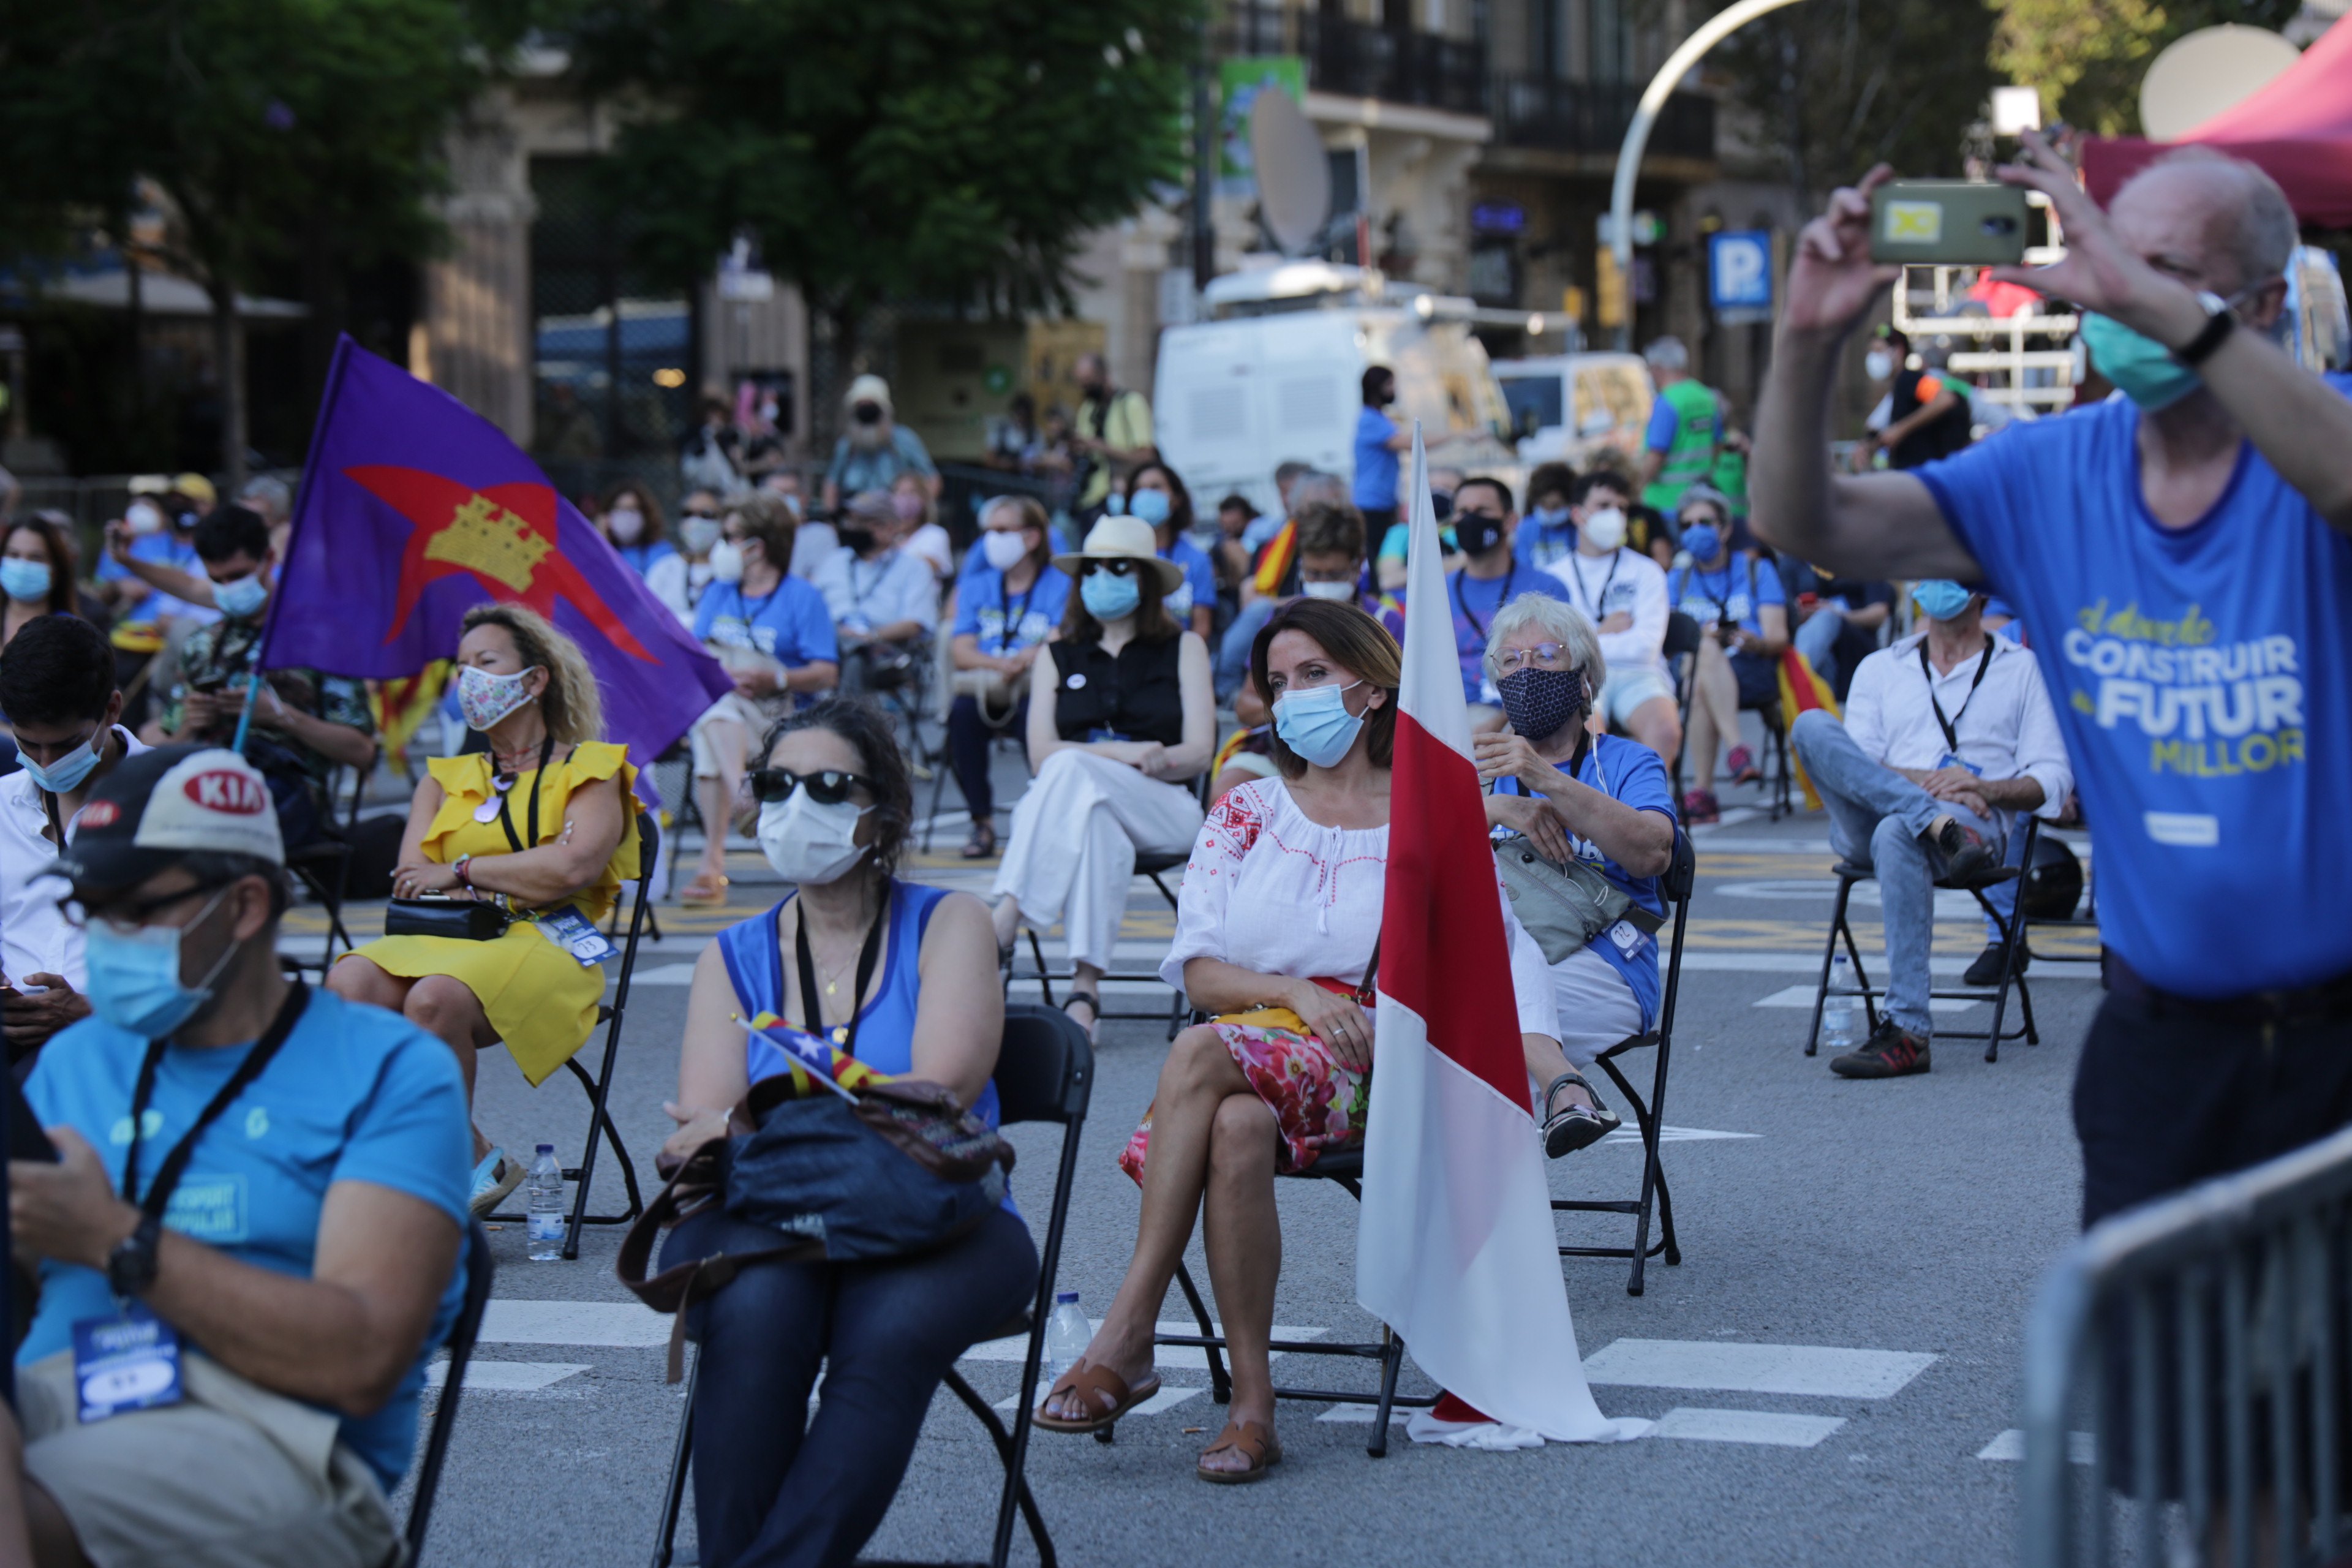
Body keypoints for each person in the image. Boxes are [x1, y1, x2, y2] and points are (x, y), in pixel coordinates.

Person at [1750, 137, 2352, 1228]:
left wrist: (2179, 318)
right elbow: (1809, 523)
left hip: (2337, 1038)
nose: (2119, 287)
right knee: (2157, 1391)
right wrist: (1805, 343)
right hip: (2157, 1045)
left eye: (2163, 267)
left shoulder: (2323, 434)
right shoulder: (2051, 470)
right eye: (2113, 255)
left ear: (2261, 303)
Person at [1033, 598, 1568, 1480]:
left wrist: (1548, 1071)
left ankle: (1129, 1332)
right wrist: (1292, 994)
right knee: (1235, 1125)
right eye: (1278, 684)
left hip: (1383, 1063)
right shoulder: (1247, 811)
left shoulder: (1430, 815)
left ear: (1373, 686)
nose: (1293, 699)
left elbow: (1497, 961)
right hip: (1261, 1049)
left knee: (1197, 1054)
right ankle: (1254, 1408)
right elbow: (1198, 971)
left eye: (1314, 676)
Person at [3, 742, 469, 1568]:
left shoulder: (389, 1072)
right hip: (61, 1404)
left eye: (131, 911)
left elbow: (360, 1358)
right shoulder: (77, 1060)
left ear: (246, 906)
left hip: (270, 1446)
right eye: (87, 910)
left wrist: (116, 1237)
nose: (100, 939)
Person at [660, 700, 1032, 1568]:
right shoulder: (733, 956)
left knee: (888, 1330)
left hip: (935, 1214)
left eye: (828, 786)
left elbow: (941, 1092)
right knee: (751, 1315)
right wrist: (740, 1123)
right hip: (776, 1211)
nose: (798, 805)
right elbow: (700, 1131)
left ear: (884, 811)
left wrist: (761, 1113)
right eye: (777, 785)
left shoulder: (949, 924)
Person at [329, 603, 639, 1213]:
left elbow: (571, 870)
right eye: (461, 665)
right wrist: (499, 877)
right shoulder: (445, 778)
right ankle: (467, 1153)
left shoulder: (590, 769)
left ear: (534, 680)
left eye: (485, 662)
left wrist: (465, 869)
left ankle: (434, 1181)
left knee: (432, 998)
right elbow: (413, 879)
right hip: (453, 935)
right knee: (348, 978)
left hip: (549, 939)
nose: (466, 678)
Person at [1788, 582, 2071, 1077]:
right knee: (1811, 725)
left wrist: (1986, 787)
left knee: (1897, 831)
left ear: (1981, 588)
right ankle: (1933, 820)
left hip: (1974, 832)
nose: (1934, 584)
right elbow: (1858, 767)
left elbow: (2051, 779)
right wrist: (1925, 787)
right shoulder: (1882, 666)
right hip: (1878, 820)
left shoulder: (2023, 669)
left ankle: (1908, 1030)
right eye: (1926, 574)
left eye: (1950, 574)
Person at [987, 514, 1215, 1042]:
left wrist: (1142, 761)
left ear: (1146, 580)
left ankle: (1007, 914)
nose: (1102, 578)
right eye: (1091, 569)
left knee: (1073, 771)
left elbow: (1200, 752)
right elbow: (1041, 755)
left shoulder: (1184, 648)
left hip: (1164, 805)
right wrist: (1126, 752)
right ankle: (1084, 993)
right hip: (1080, 803)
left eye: (1118, 567)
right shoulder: (1055, 653)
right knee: (1093, 815)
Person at [1478, 594, 1678, 1148]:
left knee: (1473, 1042)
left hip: (1606, 960)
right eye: (1511, 662)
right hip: (1496, 954)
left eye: (1545, 655)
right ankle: (1566, 1090)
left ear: (1584, 677)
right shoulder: (1480, 772)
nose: (1527, 671)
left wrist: (1545, 779)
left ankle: (1492, 1227)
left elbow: (1653, 853)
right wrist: (1493, 807)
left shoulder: (1626, 762)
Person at [153, 505, 377, 850]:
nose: (229, 589)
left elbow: (362, 752)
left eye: (239, 576)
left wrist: (281, 716)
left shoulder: (323, 639)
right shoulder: (201, 646)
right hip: (203, 789)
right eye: (218, 581)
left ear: (269, 559)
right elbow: (166, 750)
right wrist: (191, 726)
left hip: (288, 796)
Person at [681, 493, 840, 907]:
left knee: (709, 725)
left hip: (782, 712)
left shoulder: (802, 597)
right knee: (714, 712)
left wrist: (777, 677)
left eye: (731, 537)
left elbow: (827, 672)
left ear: (759, 545)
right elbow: (697, 657)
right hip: (727, 710)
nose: (722, 546)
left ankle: (712, 861)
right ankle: (744, 797)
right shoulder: (719, 592)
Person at [0, 616, 147, 1063]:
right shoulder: (3, 803)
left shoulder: (177, 801)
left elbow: (219, 971)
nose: (45, 763)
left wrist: (92, 1013)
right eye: (27, 745)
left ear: (113, 710)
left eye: (66, 747)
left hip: (127, 1049)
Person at [1211, 503, 1401, 800]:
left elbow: (1406, 705)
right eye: (1314, 573)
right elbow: (1246, 706)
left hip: (1371, 749)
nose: (1323, 584)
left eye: (1334, 574)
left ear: (1358, 564)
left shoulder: (1387, 624)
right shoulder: (1282, 621)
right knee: (1229, 790)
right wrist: (1301, 716)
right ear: (1301, 566)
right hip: (1284, 748)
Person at [946, 496, 1068, 859]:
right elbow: (961, 651)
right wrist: (1005, 665)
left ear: (1031, 538)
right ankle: (981, 821)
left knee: (1042, 720)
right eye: (988, 532)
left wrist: (1028, 657)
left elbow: (1063, 635)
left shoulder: (1061, 582)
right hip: (988, 687)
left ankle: (1045, 824)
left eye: (1001, 531)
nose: (991, 541)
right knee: (960, 719)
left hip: (1036, 688)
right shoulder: (978, 585)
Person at [1665, 487, 1787, 823]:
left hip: (1750, 667)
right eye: (1687, 525)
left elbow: (1777, 637)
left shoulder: (1755, 570)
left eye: (1704, 522)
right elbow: (1665, 641)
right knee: (1702, 650)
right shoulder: (1676, 579)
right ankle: (1738, 751)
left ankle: (1704, 792)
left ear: (1725, 528)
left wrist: (1752, 642)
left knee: (1700, 672)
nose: (1695, 531)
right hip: (1692, 669)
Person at [1542, 472, 1679, 765]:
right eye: (1604, 505)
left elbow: (1645, 648)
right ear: (1578, 514)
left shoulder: (1647, 571)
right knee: (1589, 743)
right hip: (1577, 677)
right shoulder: (1554, 577)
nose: (1615, 515)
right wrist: (1604, 631)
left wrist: (1583, 640)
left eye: (1622, 508)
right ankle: (1604, 809)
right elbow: (1552, 650)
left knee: (1666, 731)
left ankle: (1648, 809)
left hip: (1638, 674)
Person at [810, 491, 940, 696]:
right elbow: (810, 602)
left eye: (860, 523)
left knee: (856, 658)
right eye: (849, 522)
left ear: (888, 527)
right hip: (828, 638)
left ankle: (843, 722)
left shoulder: (914, 568)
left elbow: (915, 624)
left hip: (882, 647)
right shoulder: (835, 560)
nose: (850, 528)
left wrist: (869, 636)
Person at [1445, 477, 1526, 733]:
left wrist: (1501, 720)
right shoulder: (1437, 592)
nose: (1470, 520)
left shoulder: (1546, 588)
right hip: (1457, 714)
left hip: (1524, 710)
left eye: (1482, 511)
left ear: (1510, 521)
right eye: (1463, 512)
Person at [1123, 462, 1215, 641]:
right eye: (1138, 489)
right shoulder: (1120, 559)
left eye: (1155, 487)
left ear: (1176, 500)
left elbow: (1202, 629)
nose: (1145, 495)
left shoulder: (1197, 559)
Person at [1863, 325, 1973, 470]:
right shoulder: (1897, 390)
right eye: (1872, 352)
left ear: (1899, 351)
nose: (1874, 358)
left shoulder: (1910, 379)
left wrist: (1901, 429)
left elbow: (1945, 399)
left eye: (1879, 351)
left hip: (1927, 475)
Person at [823, 375, 938, 512]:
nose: (866, 410)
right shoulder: (847, 445)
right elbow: (831, 485)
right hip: (855, 521)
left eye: (871, 405)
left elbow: (933, 480)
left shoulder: (903, 439)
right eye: (861, 406)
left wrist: (917, 515)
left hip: (895, 522)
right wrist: (831, 518)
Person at [1784, 559, 1895, 698]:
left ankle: (1792, 681)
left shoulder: (1868, 567)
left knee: (1827, 617)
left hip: (1856, 646)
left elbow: (1879, 614)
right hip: (1828, 654)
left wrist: (1837, 613)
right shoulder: (1821, 569)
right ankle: (1812, 700)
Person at [1638, 337, 1722, 514]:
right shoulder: (1706, 397)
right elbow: (1717, 445)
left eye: (1650, 369)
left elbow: (1656, 455)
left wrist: (1637, 487)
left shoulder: (1667, 402)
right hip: (1700, 498)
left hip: (1665, 502)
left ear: (1658, 368)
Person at [1069, 352, 1155, 524]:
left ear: (1103, 376)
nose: (1084, 387)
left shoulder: (1131, 403)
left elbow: (1146, 456)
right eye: (1081, 382)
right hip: (1089, 499)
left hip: (1121, 497)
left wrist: (1099, 446)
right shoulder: (1088, 409)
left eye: (1088, 381)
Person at [601, 480, 692, 620]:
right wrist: (600, 541)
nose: (626, 516)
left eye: (632, 510)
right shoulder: (600, 553)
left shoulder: (662, 553)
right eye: (619, 509)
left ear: (646, 515)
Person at [0, 514, 81, 647]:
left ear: (56, 568)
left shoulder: (74, 635)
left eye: (36, 558)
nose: (23, 566)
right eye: (14, 555)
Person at [1352, 365, 1410, 536]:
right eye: (1389, 384)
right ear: (1376, 387)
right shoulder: (1370, 420)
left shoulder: (1378, 418)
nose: (1394, 389)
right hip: (1372, 504)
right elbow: (1409, 443)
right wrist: (1459, 435)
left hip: (1383, 502)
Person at [890, 471, 955, 584]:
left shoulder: (935, 534)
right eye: (900, 492)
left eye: (912, 493)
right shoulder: (887, 535)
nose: (905, 499)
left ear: (924, 499)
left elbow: (925, 568)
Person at [1514, 461, 1580, 571]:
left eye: (1556, 506)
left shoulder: (1579, 529)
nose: (1549, 512)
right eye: (1543, 505)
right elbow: (1522, 568)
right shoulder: (1526, 528)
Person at [680, 396, 747, 496]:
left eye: (719, 417)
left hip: (726, 484)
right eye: (713, 416)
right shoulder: (696, 434)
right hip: (702, 480)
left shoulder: (729, 435)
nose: (716, 420)